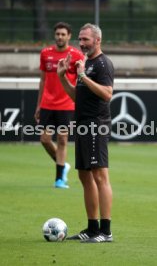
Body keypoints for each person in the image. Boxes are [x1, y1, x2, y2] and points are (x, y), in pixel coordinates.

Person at [57, 23, 114, 243]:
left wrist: (83, 77)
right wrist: (64, 77)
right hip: (82, 124)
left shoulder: (102, 64)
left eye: (85, 40)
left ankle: (106, 231)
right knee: (84, 176)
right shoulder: (86, 63)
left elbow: (108, 94)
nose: (81, 43)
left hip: (96, 125)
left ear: (97, 40)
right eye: (79, 39)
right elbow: (76, 97)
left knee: (100, 176)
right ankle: (92, 229)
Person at [34, 22, 84, 189]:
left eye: (63, 34)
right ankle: (63, 165)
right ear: (54, 35)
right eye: (58, 34)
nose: (60, 37)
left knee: (62, 139)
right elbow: (42, 80)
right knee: (44, 139)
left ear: (69, 36)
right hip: (47, 102)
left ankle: (59, 179)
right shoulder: (45, 53)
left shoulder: (76, 55)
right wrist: (38, 104)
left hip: (66, 104)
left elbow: (81, 80)